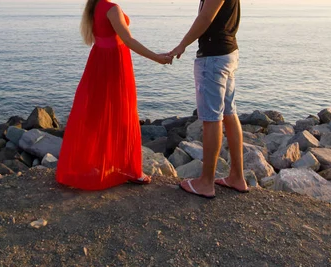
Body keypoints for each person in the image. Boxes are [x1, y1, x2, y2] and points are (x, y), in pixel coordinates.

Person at [56, 0, 172, 191]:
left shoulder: (93, 7)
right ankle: (132, 171)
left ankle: (97, 164)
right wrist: (157, 58)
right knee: (122, 114)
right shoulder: (112, 8)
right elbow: (128, 40)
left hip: (99, 62)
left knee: (98, 114)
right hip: (114, 63)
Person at [169, 0, 247, 199]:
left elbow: (205, 17)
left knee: (212, 118)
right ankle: (236, 177)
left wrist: (181, 45)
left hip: (213, 57)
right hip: (228, 52)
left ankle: (206, 182)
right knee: (229, 113)